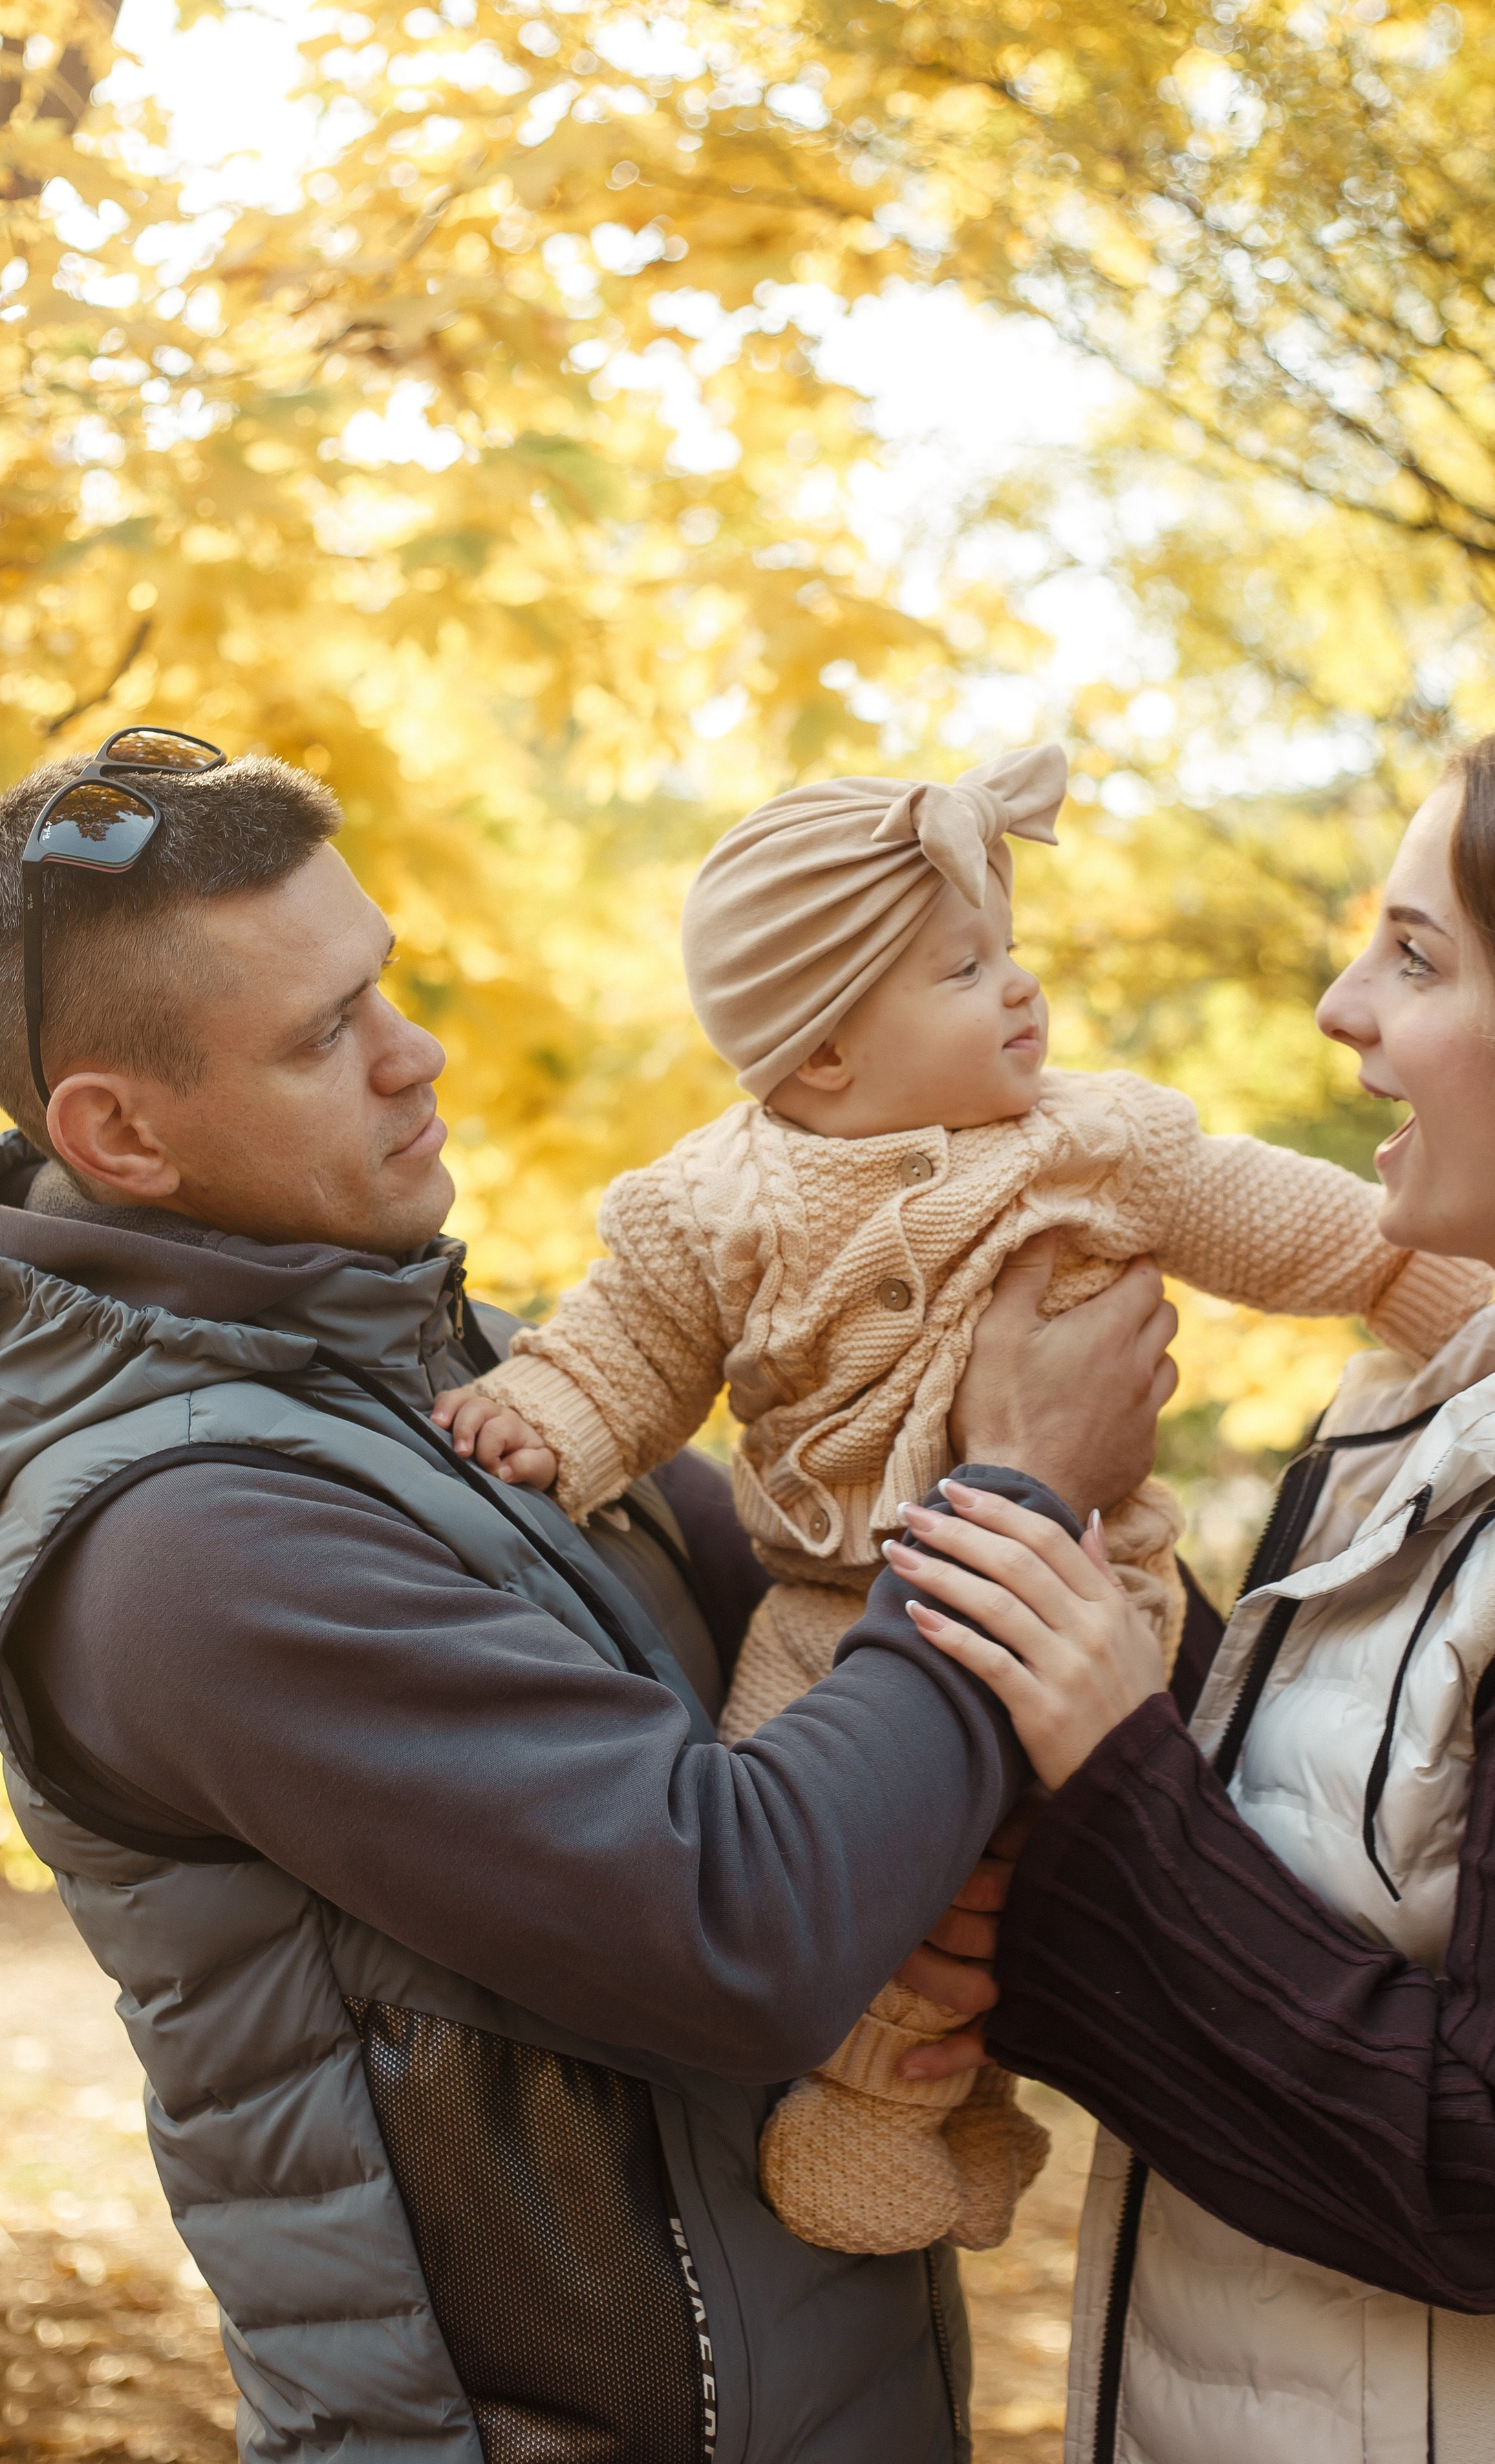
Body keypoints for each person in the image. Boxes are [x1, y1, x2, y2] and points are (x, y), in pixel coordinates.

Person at [0, 726, 1182, 2464]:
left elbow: (826, 1632)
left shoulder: (460, 1381)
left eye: (384, 983)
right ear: (122, 1132)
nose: (414, 1055)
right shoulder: (194, 1545)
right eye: (325, 1034)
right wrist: (1015, 1484)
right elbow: (744, 1923)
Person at [428, 742, 1490, 2260]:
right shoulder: (708, 1206)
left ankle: (980, 2084)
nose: (1017, 988)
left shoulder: (1092, 1143)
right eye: (961, 970)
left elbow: (1319, 1233)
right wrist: (543, 1417)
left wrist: (1482, 1324)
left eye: (1005, 949)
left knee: (1061, 1874)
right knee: (830, 1857)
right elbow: (627, 1354)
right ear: (821, 1057)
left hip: (1087, 1607)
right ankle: (879, 2106)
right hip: (833, 1620)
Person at [890, 714, 1495, 2464]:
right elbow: (1304, 1860)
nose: (1337, 1008)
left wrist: (1107, 1769)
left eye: (1414, 957)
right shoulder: (1415, 1437)